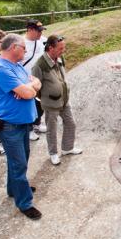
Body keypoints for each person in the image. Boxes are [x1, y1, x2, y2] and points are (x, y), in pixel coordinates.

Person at [0, 33, 43, 220]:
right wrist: (27, 88)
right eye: (23, 48)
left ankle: (14, 189)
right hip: (9, 125)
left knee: (21, 159)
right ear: (13, 48)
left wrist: (30, 85)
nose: (26, 51)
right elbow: (28, 93)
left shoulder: (16, 65)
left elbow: (36, 81)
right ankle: (24, 203)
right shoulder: (1, 69)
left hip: (20, 123)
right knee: (18, 163)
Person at [31, 34, 82, 165]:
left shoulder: (59, 58)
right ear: (50, 48)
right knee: (51, 129)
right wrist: (46, 99)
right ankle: (53, 153)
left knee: (71, 123)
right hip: (50, 103)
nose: (63, 50)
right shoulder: (39, 65)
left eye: (63, 47)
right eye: (60, 48)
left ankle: (67, 148)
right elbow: (36, 87)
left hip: (64, 100)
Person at [21, 19, 48, 141]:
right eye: (38, 31)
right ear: (30, 30)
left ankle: (37, 123)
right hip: (26, 81)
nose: (40, 33)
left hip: (40, 79)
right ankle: (29, 129)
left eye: (41, 31)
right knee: (27, 106)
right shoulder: (21, 43)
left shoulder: (43, 41)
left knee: (39, 103)